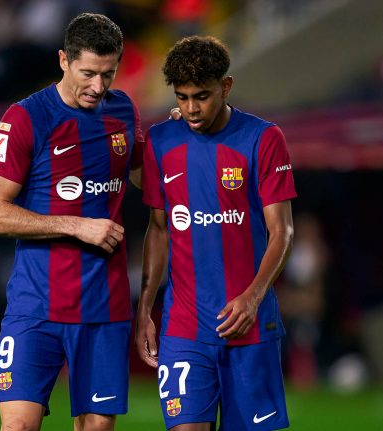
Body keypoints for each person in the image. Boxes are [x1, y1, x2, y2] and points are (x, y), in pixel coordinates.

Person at [0, 13, 144, 431]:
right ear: (63, 61)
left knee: (98, 427)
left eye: (108, 74)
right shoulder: (25, 118)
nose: (98, 87)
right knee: (18, 425)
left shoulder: (122, 111)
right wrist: (75, 225)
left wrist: (182, 137)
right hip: (37, 307)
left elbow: (145, 173)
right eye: (88, 73)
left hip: (104, 307)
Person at [136, 35, 297, 431]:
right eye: (182, 96)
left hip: (251, 324)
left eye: (202, 96)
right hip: (184, 326)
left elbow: (283, 231)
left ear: (225, 87)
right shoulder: (161, 141)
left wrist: (253, 295)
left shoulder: (263, 138)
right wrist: (144, 308)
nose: (191, 108)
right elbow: (158, 230)